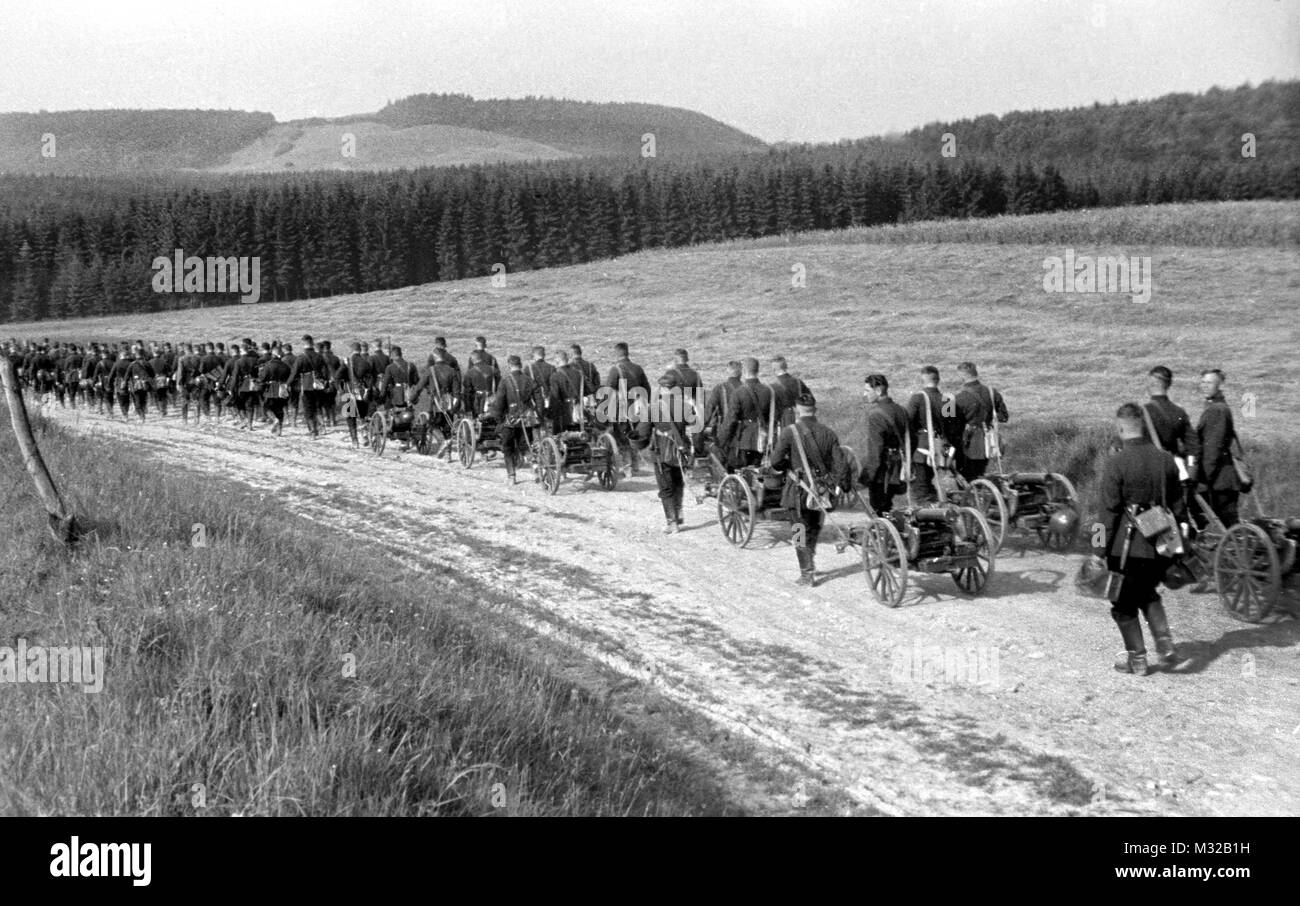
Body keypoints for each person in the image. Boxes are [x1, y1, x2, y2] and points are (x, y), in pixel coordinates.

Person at [1095, 403, 1185, 675]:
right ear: (1142, 426)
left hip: (1125, 548)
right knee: (1147, 593)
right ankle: (1165, 644)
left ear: (1121, 427)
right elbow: (1179, 506)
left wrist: (1097, 548)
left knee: (1122, 604)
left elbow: (1106, 513)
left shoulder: (1115, 463)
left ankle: (1138, 660)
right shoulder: (1166, 459)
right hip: (1159, 544)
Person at [770, 392, 847, 586]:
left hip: (798, 490)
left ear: (796, 411)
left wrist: (788, 465)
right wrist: (836, 485)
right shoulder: (829, 433)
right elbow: (840, 465)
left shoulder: (789, 432)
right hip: (821, 491)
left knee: (798, 529)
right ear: (815, 410)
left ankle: (806, 572)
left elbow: (775, 461)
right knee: (813, 527)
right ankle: (809, 561)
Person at [1194, 369, 1244, 528]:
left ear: (1219, 385)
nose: (1205, 386)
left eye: (1209, 383)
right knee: (1230, 527)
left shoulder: (1216, 410)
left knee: (1231, 529)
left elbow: (1212, 450)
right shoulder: (1216, 407)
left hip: (1219, 481)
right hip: (1222, 479)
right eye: (1203, 382)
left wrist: (1202, 479)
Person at [644, 370, 692, 534]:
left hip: (661, 452)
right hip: (679, 450)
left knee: (666, 488)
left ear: (662, 388)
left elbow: (642, 432)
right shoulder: (685, 406)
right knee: (678, 483)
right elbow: (695, 423)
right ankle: (678, 516)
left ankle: (672, 523)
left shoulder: (654, 408)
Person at [489, 355, 544, 484]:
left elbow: (499, 403)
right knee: (526, 446)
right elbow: (539, 401)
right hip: (527, 420)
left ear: (509, 366)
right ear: (520, 365)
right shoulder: (530, 380)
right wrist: (538, 416)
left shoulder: (505, 381)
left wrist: (499, 419)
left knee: (508, 447)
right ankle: (536, 468)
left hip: (510, 420)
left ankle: (511, 476)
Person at [860, 373, 908, 514]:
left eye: (867, 390)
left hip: (883, 473)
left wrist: (866, 478)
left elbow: (875, 452)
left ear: (879, 391)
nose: (864, 394)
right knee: (888, 509)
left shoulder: (876, 415)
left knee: (879, 511)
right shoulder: (901, 410)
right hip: (899, 470)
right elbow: (911, 440)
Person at [952, 361, 1009, 480]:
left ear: (962, 376)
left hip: (967, 444)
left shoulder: (958, 398)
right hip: (988, 442)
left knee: (966, 478)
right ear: (975, 373)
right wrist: (987, 419)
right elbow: (1004, 417)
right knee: (980, 472)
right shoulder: (992, 393)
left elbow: (951, 424)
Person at [605, 342, 652, 475]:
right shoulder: (638, 368)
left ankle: (627, 467)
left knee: (622, 436)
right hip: (638, 407)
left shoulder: (616, 369)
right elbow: (647, 388)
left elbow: (608, 390)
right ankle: (635, 465)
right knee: (634, 435)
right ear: (627, 352)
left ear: (616, 354)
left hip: (622, 408)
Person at [905, 366, 950, 504]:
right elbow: (952, 426)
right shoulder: (948, 399)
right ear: (938, 380)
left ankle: (930, 514)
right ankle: (935, 504)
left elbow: (907, 422)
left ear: (922, 379)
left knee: (920, 486)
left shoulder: (917, 398)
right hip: (941, 448)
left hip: (922, 448)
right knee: (927, 481)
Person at [719, 357, 773, 469]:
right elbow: (772, 416)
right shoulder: (768, 391)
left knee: (740, 471)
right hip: (761, 439)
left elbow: (731, 420)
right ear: (758, 370)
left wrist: (722, 441)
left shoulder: (738, 392)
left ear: (744, 371)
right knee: (755, 472)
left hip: (743, 440)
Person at [410, 348, 462, 454]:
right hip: (449, 402)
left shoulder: (431, 370)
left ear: (435, 357)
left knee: (432, 425)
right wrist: (455, 405)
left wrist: (412, 398)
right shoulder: (452, 371)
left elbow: (419, 387)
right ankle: (448, 455)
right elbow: (457, 391)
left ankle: (442, 442)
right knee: (447, 428)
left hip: (435, 404)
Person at [286, 335, 331, 438]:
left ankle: (313, 432)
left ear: (303, 344)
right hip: (319, 385)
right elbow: (326, 371)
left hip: (306, 386)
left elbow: (294, 373)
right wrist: (326, 383)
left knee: (308, 410)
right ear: (312, 343)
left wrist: (287, 384)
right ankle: (322, 426)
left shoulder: (301, 357)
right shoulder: (319, 356)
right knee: (318, 407)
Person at [337, 341, 378, 448]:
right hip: (362, 393)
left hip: (348, 393)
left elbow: (337, 376)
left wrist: (341, 388)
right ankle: (365, 436)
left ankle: (355, 441)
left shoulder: (346, 362)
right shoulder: (366, 362)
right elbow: (370, 379)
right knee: (363, 416)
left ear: (351, 350)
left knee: (350, 418)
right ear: (360, 350)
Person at [769, 355, 812, 428]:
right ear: (786, 366)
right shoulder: (798, 382)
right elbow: (810, 400)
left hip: (784, 421)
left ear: (773, 369)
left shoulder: (772, 387)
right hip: (801, 419)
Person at [259, 347, 293, 436]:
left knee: (267, 407)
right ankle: (279, 431)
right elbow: (289, 377)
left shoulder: (268, 365)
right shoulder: (285, 366)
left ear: (273, 355)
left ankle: (274, 419)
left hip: (271, 389)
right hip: (282, 388)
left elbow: (262, 379)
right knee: (280, 410)